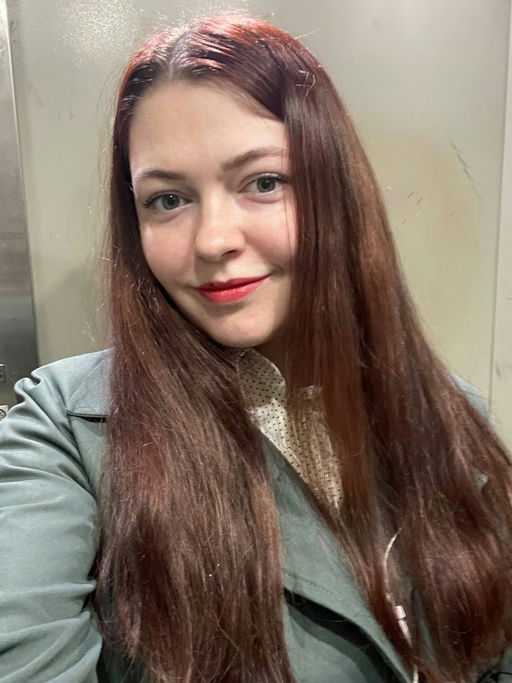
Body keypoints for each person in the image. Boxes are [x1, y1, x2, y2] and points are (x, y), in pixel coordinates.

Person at [1, 13, 511, 683]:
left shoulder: (448, 415)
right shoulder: (66, 429)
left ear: (334, 192)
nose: (214, 240)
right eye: (168, 199)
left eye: (263, 182)